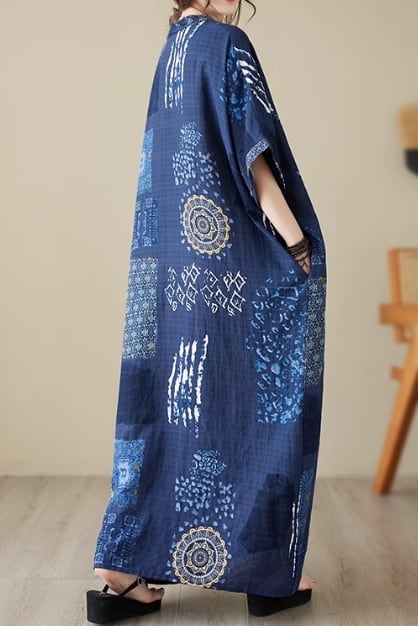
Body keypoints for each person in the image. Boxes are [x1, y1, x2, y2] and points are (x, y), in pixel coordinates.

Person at [86, 0, 326, 622]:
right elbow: (253, 156)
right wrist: (297, 245)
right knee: (261, 404)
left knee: (171, 412)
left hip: (170, 268)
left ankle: (123, 562)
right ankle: (267, 569)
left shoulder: (172, 49)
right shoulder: (225, 44)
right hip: (230, 270)